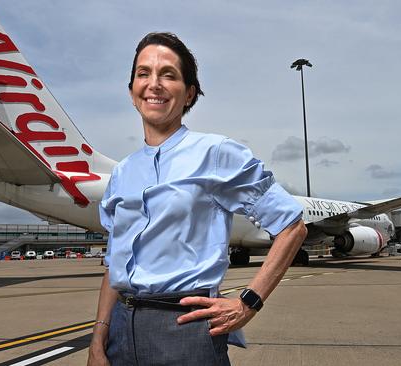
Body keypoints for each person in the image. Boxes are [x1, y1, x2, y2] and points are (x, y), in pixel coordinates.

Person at [87, 32, 307, 366]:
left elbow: (292, 226)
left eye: (169, 75)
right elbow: (115, 263)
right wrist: (98, 339)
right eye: (143, 73)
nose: (154, 83)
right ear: (132, 92)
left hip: (185, 330)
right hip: (120, 329)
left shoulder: (216, 153)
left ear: (189, 94)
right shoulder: (123, 172)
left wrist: (248, 302)